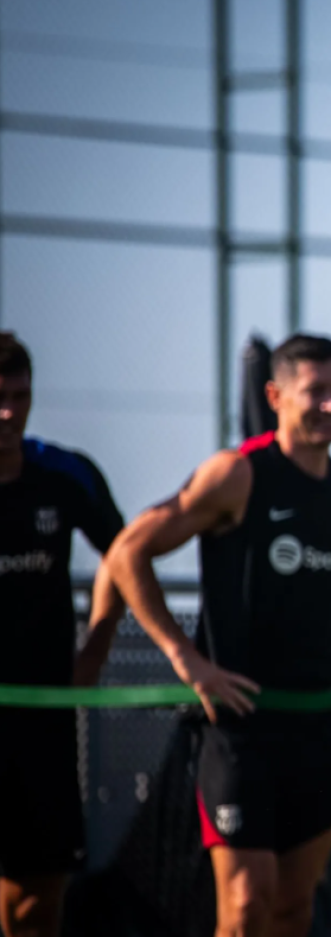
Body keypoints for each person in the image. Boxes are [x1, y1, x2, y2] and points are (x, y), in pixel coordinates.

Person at [106, 334, 331, 937]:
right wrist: (185, 658)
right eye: (315, 391)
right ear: (275, 395)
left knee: (293, 911)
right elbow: (129, 552)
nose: (330, 405)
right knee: (244, 908)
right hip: (239, 729)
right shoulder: (238, 475)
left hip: (316, 726)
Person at [0, 333, 127, 937]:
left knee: (36, 899)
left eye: (19, 397)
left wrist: (94, 649)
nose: (7, 413)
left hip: (42, 719)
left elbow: (127, 556)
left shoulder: (62, 473)